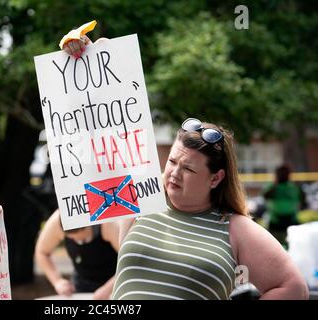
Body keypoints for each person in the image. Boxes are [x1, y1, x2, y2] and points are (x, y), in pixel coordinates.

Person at [62, 28, 308, 300]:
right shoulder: (137, 198)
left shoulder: (233, 228)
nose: (174, 173)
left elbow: (293, 288)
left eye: (189, 168)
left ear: (215, 178)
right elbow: (106, 117)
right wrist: (90, 53)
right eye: (172, 161)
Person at [35, 209, 119, 300]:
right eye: (71, 238)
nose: (77, 241)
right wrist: (57, 281)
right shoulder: (57, 221)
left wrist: (108, 288)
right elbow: (42, 252)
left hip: (115, 282)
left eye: (83, 239)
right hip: (81, 283)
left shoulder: (107, 223)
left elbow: (131, 260)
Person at [263, 164, 303, 247]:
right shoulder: (273, 187)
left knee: (293, 245)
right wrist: (275, 184)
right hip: (276, 221)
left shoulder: (293, 186)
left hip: (291, 220)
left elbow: (302, 199)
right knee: (274, 246)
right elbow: (266, 196)